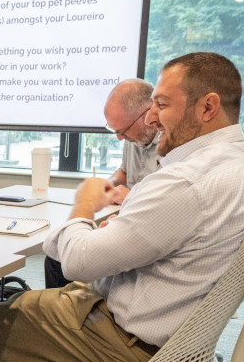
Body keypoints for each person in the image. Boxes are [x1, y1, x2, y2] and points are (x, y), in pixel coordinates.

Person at [0, 52, 244, 362]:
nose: (154, 118)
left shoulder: (185, 183)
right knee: (31, 300)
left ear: (208, 107)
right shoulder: (240, 165)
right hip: (182, 344)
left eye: (163, 105)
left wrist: (84, 207)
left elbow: (76, 261)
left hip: (133, 347)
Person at [44, 78, 160, 288]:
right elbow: (124, 172)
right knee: (57, 254)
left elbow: (164, 203)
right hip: (125, 220)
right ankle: (67, 306)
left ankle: (73, 310)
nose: (119, 138)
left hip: (145, 230)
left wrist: (130, 197)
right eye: (115, 131)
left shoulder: (171, 146)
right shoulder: (133, 136)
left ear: (147, 115)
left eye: (123, 131)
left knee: (69, 257)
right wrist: (107, 184)